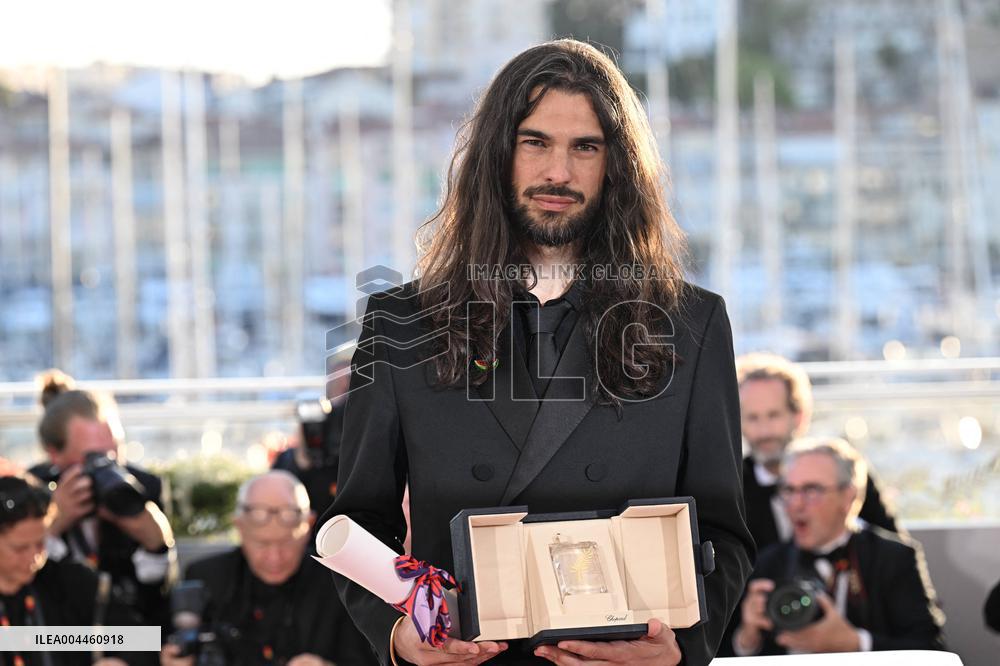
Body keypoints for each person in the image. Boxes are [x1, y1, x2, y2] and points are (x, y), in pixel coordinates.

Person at [323, 39, 753, 666]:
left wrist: (681, 649)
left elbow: (725, 531)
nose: (559, 172)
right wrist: (400, 634)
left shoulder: (691, 322)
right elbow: (359, 520)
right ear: (497, 156)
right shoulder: (401, 322)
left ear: (617, 166)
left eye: (586, 147)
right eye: (535, 142)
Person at [731, 437, 945, 655]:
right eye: (789, 490)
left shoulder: (894, 558)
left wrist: (856, 643)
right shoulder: (767, 563)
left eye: (811, 490)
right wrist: (748, 637)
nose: (795, 504)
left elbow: (931, 649)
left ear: (849, 497)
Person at [160, 471, 376, 666]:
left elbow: (377, 656)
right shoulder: (206, 576)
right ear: (239, 527)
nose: (274, 557)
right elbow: (144, 637)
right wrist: (169, 656)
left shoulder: (341, 584)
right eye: (261, 544)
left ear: (309, 525)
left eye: (286, 543)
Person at [29, 370, 176, 642]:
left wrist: (157, 545)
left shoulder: (142, 487)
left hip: (132, 638)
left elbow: (159, 607)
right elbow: (22, 591)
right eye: (94, 457)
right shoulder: (31, 491)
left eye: (115, 452)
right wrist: (51, 525)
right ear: (54, 454)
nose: (108, 466)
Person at [736, 352, 898, 550]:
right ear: (739, 423)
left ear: (799, 416)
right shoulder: (732, 487)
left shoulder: (840, 467)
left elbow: (895, 552)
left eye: (773, 415)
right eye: (752, 417)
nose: (764, 431)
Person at [0, 473, 128, 666]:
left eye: (40, 543)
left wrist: (120, 660)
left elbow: (138, 640)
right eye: (20, 548)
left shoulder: (71, 583)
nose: (34, 557)